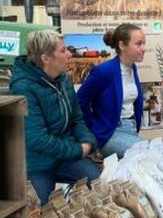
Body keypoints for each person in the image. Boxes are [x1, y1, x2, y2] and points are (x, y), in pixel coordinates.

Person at [10, 30, 99, 205]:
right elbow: (37, 139)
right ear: (46, 58)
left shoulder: (64, 80)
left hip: (65, 156)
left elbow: (76, 119)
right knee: (40, 213)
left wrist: (87, 142)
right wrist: (77, 150)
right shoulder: (23, 87)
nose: (69, 54)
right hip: (38, 164)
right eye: (63, 50)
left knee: (98, 182)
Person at [77, 23, 145, 158]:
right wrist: (94, 129)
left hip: (130, 129)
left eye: (143, 43)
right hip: (110, 134)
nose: (143, 49)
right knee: (145, 153)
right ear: (122, 46)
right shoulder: (105, 71)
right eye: (138, 44)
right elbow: (80, 101)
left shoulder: (132, 68)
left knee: (152, 152)